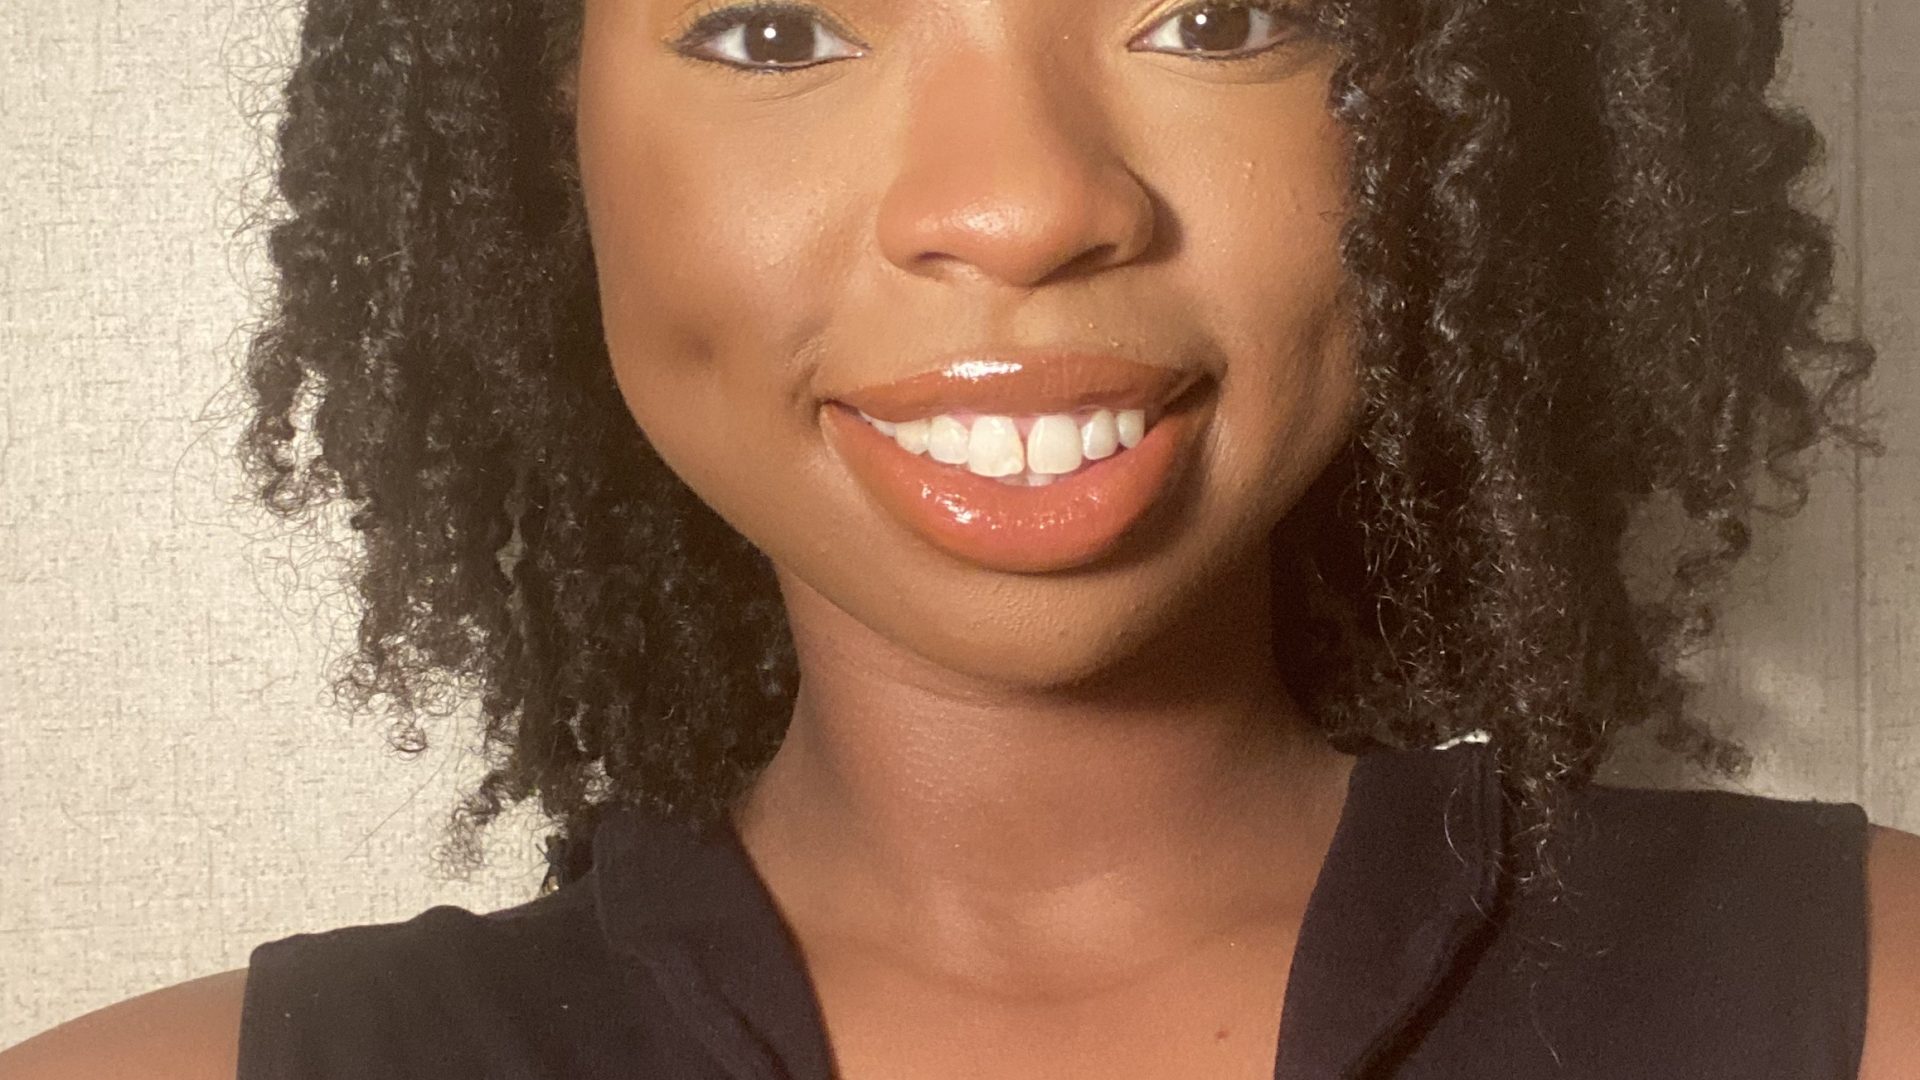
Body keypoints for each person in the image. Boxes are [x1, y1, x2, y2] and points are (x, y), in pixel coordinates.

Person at [4, 0, 1918, 1076]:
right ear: (541, 144)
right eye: (774, 28)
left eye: (1218, 13)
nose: (1018, 205)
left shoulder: (1866, 1008)